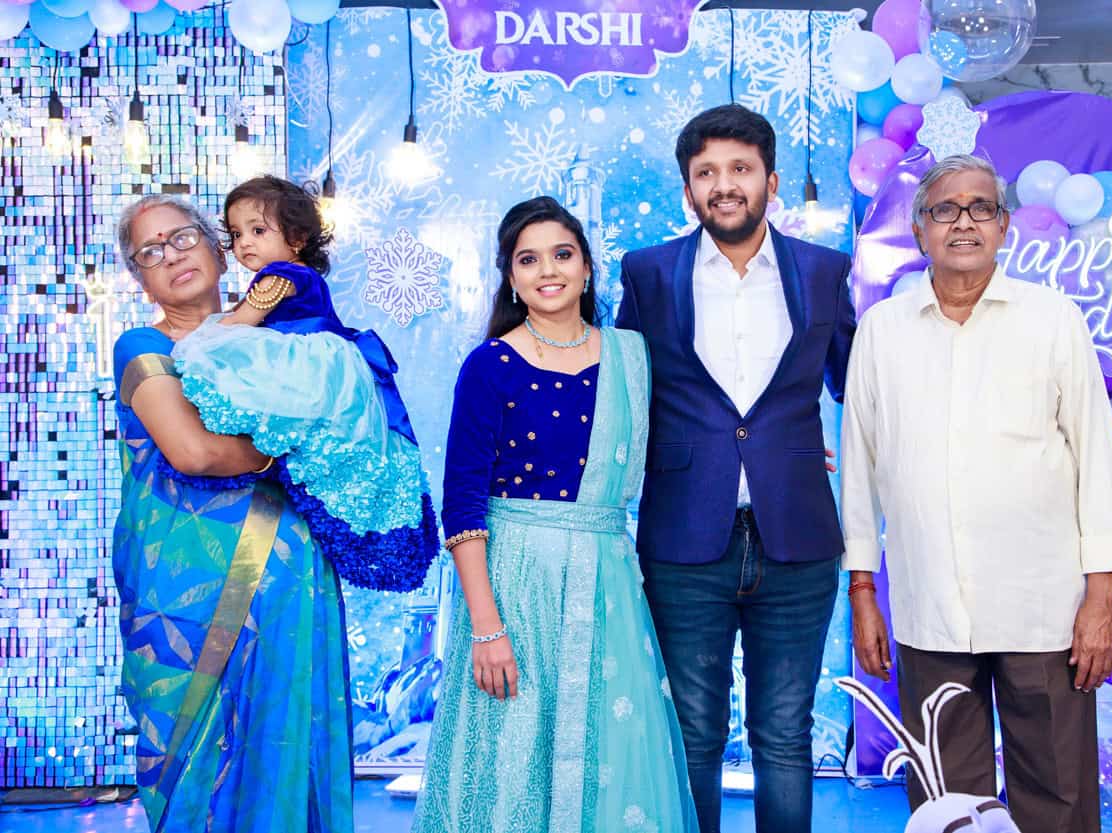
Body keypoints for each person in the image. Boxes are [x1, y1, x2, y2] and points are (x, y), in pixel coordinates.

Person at [840, 153, 1112, 833]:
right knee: (947, 798)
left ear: (1004, 226)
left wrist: (1103, 595)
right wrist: (862, 590)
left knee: (1057, 793)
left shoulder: (1051, 318)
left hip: (1045, 605)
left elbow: (1097, 456)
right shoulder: (885, 329)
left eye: (980, 207)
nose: (964, 222)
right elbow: (859, 463)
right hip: (927, 605)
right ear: (920, 231)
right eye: (945, 209)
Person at [411, 196, 698, 833]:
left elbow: (682, 444)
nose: (548, 271)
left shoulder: (630, 358)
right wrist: (486, 627)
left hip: (608, 586)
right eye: (529, 259)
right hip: (515, 585)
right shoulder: (490, 365)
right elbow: (461, 502)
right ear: (510, 278)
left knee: (609, 748)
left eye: (562, 254)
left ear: (588, 269)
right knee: (517, 754)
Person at [616, 104, 857, 833]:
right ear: (688, 190)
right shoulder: (650, 271)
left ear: (770, 181)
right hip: (686, 538)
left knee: (785, 735)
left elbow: (859, 383)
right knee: (693, 733)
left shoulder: (822, 270)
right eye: (707, 173)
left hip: (798, 537)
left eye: (740, 170)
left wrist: (795, 449)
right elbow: (627, 388)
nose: (725, 185)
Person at [111, 195, 353, 832]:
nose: (173, 256)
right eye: (150, 251)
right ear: (139, 278)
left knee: (285, 741)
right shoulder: (142, 346)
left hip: (288, 584)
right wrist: (294, 447)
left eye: (184, 237)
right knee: (190, 757)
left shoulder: (281, 341)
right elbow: (193, 452)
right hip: (183, 598)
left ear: (219, 250)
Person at [172, 175, 436, 591]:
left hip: (313, 365)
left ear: (296, 238)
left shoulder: (278, 276)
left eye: (258, 231)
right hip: (327, 363)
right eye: (237, 234)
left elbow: (241, 323)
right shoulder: (295, 273)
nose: (244, 244)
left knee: (218, 357)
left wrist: (191, 342)